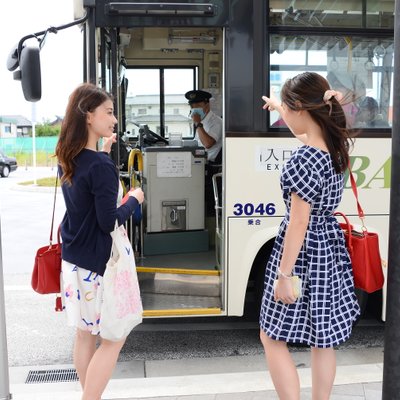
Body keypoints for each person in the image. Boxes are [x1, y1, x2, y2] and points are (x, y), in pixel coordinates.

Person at [259, 72, 360, 400]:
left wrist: (284, 275)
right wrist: (281, 107)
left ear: (301, 108)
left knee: (271, 336)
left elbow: (298, 224)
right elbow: (305, 133)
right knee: (323, 340)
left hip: (302, 256)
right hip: (328, 251)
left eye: (287, 109)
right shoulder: (333, 150)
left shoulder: (304, 159)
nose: (283, 115)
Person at [55, 83, 144, 400]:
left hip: (74, 260)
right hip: (99, 263)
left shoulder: (69, 157)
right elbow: (108, 221)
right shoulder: (101, 167)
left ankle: (88, 394)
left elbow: (87, 194)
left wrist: (104, 151)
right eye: (108, 112)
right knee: (113, 339)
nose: (114, 119)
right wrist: (134, 199)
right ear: (88, 115)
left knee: (84, 335)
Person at [185, 89, 222, 163]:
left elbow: (207, 144)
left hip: (209, 164)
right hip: (198, 160)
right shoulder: (202, 121)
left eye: (198, 106)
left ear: (207, 105)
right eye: (192, 107)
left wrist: (198, 124)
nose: (194, 109)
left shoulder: (217, 122)